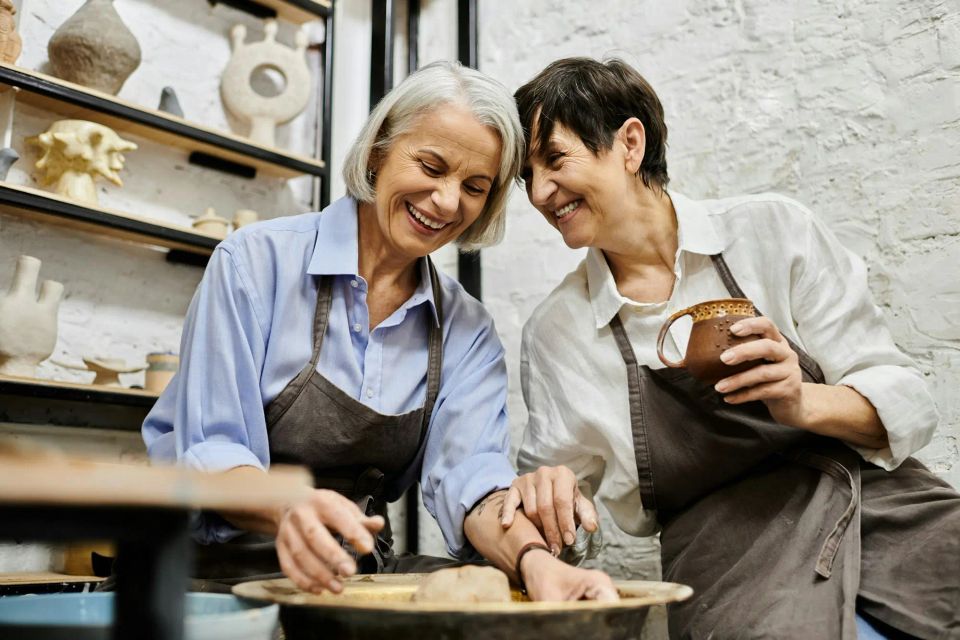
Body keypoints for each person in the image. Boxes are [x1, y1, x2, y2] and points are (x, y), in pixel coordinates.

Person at [500, 57, 960, 637]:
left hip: (882, 512)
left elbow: (910, 404)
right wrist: (553, 504)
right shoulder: (557, 332)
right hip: (733, 566)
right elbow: (565, 532)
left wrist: (803, 402)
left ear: (630, 144)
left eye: (555, 159)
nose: (541, 193)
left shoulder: (774, 232)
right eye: (528, 176)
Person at [142, 60, 616, 602]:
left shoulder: (466, 331)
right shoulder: (254, 265)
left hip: (348, 577)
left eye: (475, 186)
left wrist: (535, 563)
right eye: (431, 166)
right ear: (377, 152)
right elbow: (212, 450)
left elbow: (474, 484)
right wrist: (290, 506)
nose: (446, 201)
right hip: (209, 573)